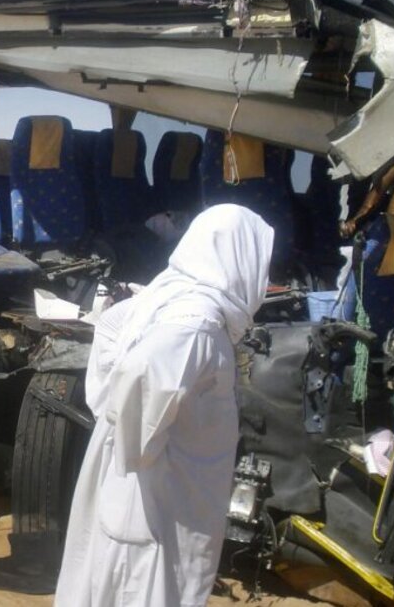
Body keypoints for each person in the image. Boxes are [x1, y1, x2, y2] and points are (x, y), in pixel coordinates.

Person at [54, 204, 274, 607]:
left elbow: (113, 325)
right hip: (158, 501)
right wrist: (141, 453)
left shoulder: (174, 298)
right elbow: (142, 374)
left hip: (160, 494)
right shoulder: (197, 324)